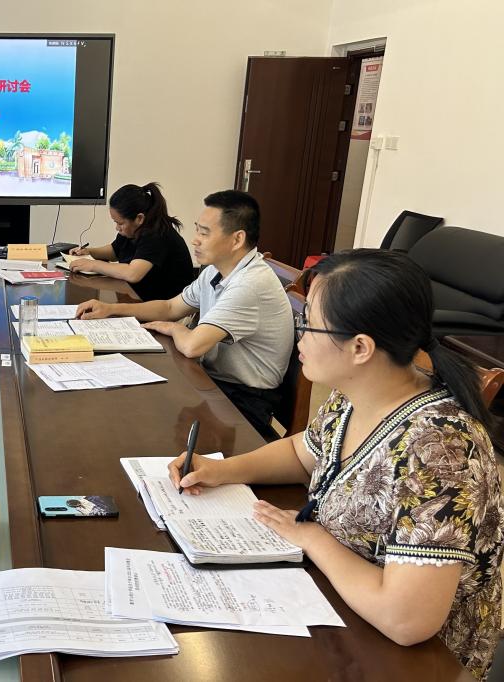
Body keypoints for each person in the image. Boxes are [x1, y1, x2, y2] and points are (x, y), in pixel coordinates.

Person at [168, 249, 503, 680]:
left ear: (360, 347)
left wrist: (312, 538)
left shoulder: (440, 447)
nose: (299, 337)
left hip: (414, 661)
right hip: (339, 601)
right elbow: (302, 453)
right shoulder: (356, 393)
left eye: (308, 324)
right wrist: (222, 469)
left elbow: (407, 620)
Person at [76, 190, 292, 436]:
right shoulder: (215, 270)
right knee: (135, 406)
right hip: (215, 381)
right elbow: (170, 307)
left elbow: (192, 346)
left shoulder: (249, 284)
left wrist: (175, 327)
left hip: (244, 399)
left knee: (145, 423)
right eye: (197, 230)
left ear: (237, 239)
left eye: (204, 233)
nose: (195, 240)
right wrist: (111, 309)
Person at [67, 182, 194, 301]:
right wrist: (89, 252)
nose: (117, 228)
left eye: (120, 223)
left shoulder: (157, 234)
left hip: (169, 302)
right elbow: (114, 251)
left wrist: (93, 265)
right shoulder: (132, 229)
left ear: (139, 218)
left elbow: (133, 274)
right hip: (141, 293)